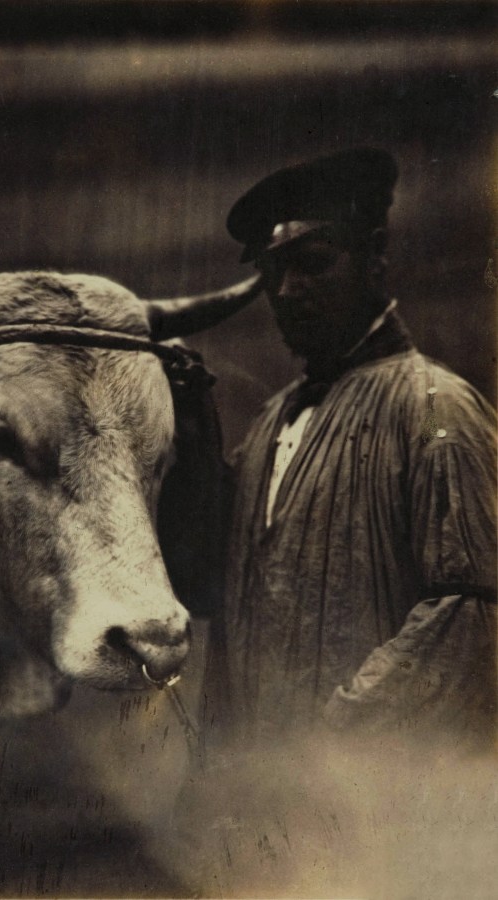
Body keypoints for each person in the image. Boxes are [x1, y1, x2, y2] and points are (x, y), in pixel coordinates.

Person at [205, 147, 496, 753]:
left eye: (314, 262)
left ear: (375, 255)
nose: (289, 290)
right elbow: (209, 586)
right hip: (259, 795)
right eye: (272, 272)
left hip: (377, 794)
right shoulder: (269, 426)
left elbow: (469, 617)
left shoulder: (436, 410)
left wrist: (330, 746)